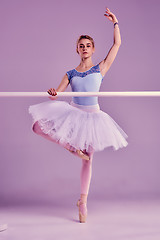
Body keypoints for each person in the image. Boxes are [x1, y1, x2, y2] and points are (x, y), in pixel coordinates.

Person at [28, 7, 128, 223]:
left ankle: (82, 201)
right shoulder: (70, 73)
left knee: (88, 160)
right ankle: (71, 147)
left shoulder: (100, 68)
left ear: (93, 49)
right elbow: (58, 93)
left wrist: (115, 22)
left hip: (92, 117)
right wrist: (54, 93)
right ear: (77, 50)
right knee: (37, 126)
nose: (84, 48)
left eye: (88, 46)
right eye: (81, 46)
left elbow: (117, 45)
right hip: (73, 112)